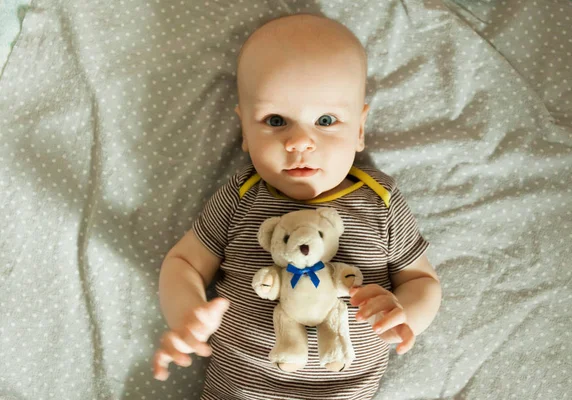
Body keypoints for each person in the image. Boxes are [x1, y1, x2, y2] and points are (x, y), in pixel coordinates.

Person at [152, 13, 442, 400]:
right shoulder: (241, 196)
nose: (300, 142)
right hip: (239, 390)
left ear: (359, 129)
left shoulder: (379, 200)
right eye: (276, 120)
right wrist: (186, 315)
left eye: (325, 120)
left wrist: (405, 314)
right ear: (245, 131)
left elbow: (422, 282)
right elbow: (184, 263)